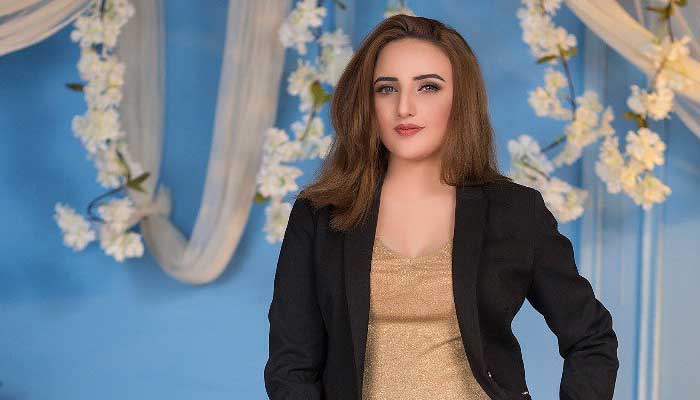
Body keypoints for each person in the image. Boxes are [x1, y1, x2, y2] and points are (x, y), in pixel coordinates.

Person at [264, 14, 619, 400]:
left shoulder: (516, 211)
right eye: (387, 88)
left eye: (428, 87)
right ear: (367, 101)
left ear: (460, 99)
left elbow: (592, 339)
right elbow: (291, 366)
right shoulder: (319, 215)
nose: (404, 107)